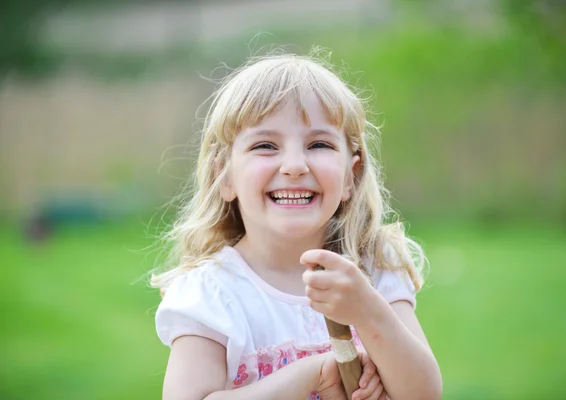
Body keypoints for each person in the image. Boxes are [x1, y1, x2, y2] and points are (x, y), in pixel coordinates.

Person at [152, 50, 442, 400]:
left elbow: (423, 394)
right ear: (223, 175)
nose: (294, 165)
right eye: (265, 145)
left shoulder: (373, 268)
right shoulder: (212, 293)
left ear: (351, 175)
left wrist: (369, 312)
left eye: (318, 144)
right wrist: (310, 374)